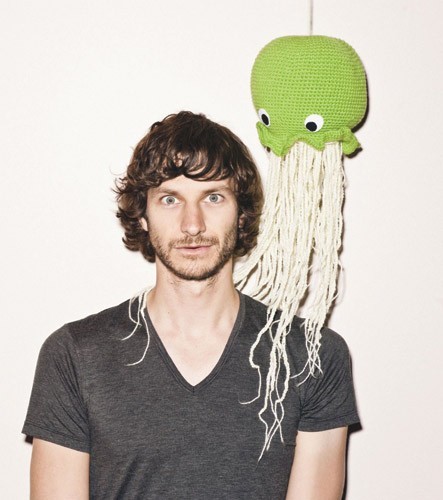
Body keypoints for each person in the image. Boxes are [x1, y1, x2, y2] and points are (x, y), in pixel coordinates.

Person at [23, 111, 359, 499]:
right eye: (170, 199)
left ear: (241, 212)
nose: (193, 224)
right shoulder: (75, 354)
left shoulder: (311, 355)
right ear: (143, 216)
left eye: (213, 197)